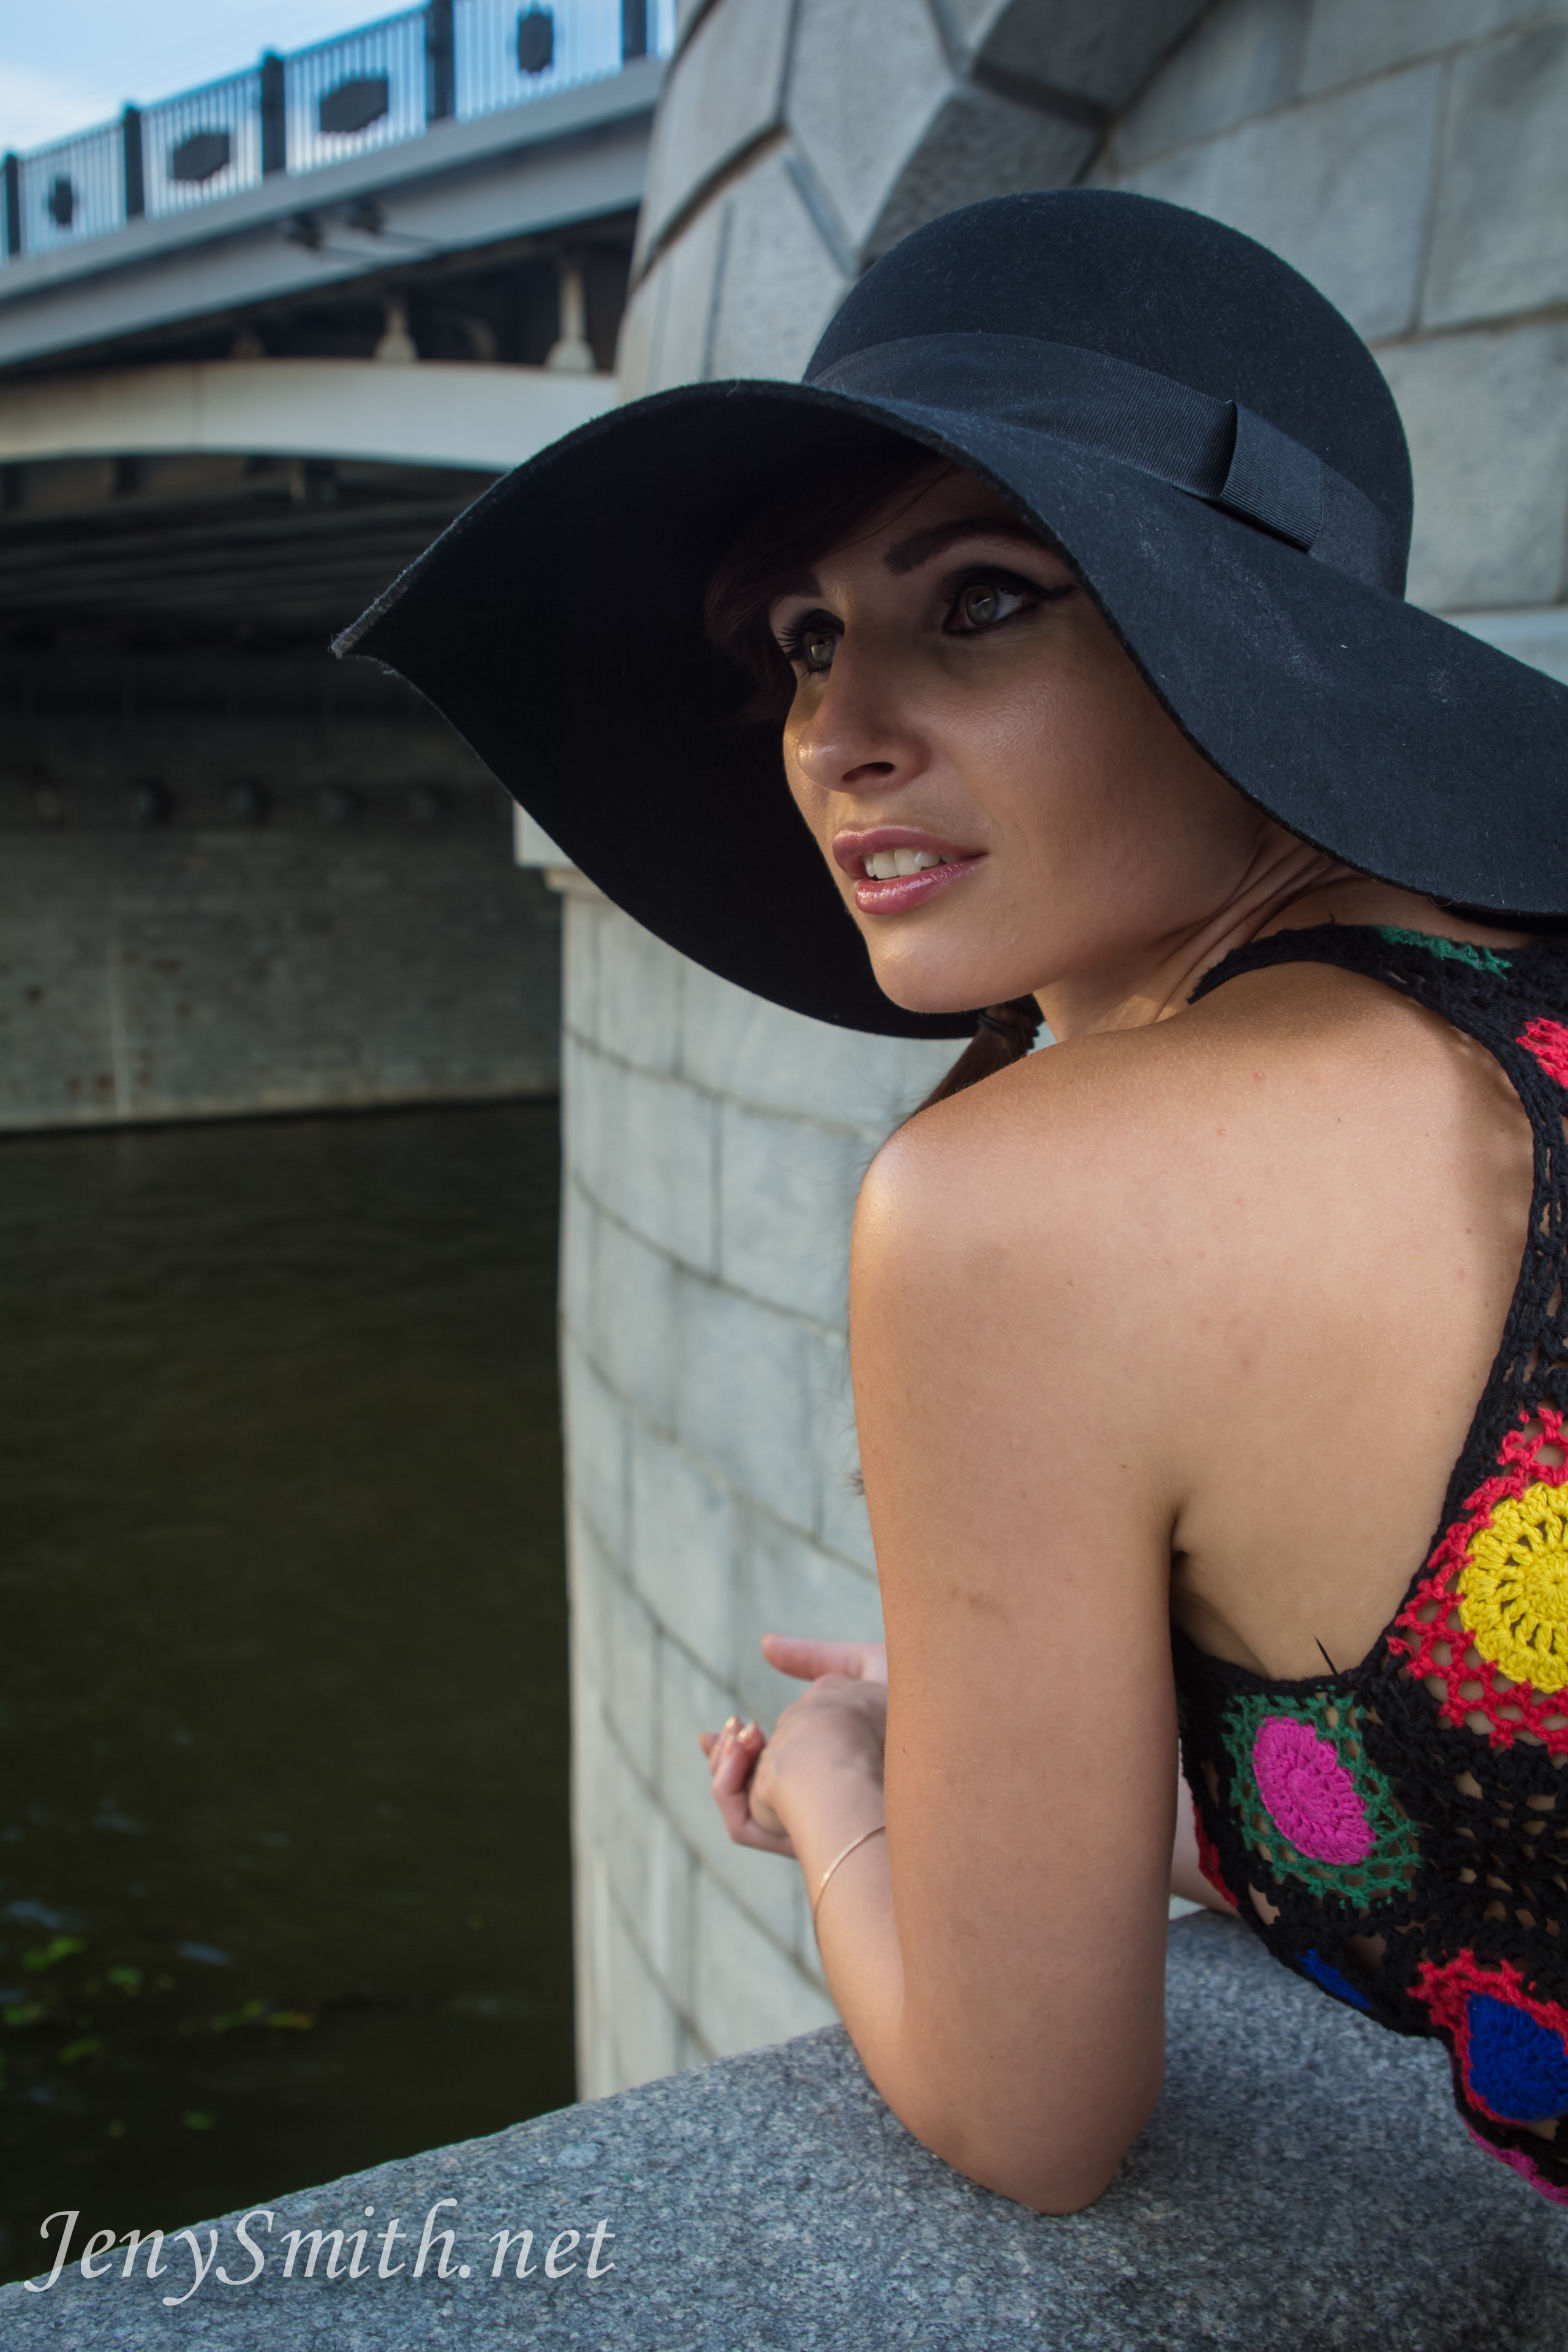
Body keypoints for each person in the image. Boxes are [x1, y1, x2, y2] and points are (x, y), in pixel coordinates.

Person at [339, 190, 1568, 2214]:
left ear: (1249, 647)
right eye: (807, 641)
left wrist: (842, 1795)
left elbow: (1033, 2118)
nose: (837, 735)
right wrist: (1111, 1775)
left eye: (981, 602)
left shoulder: (1019, 1207)